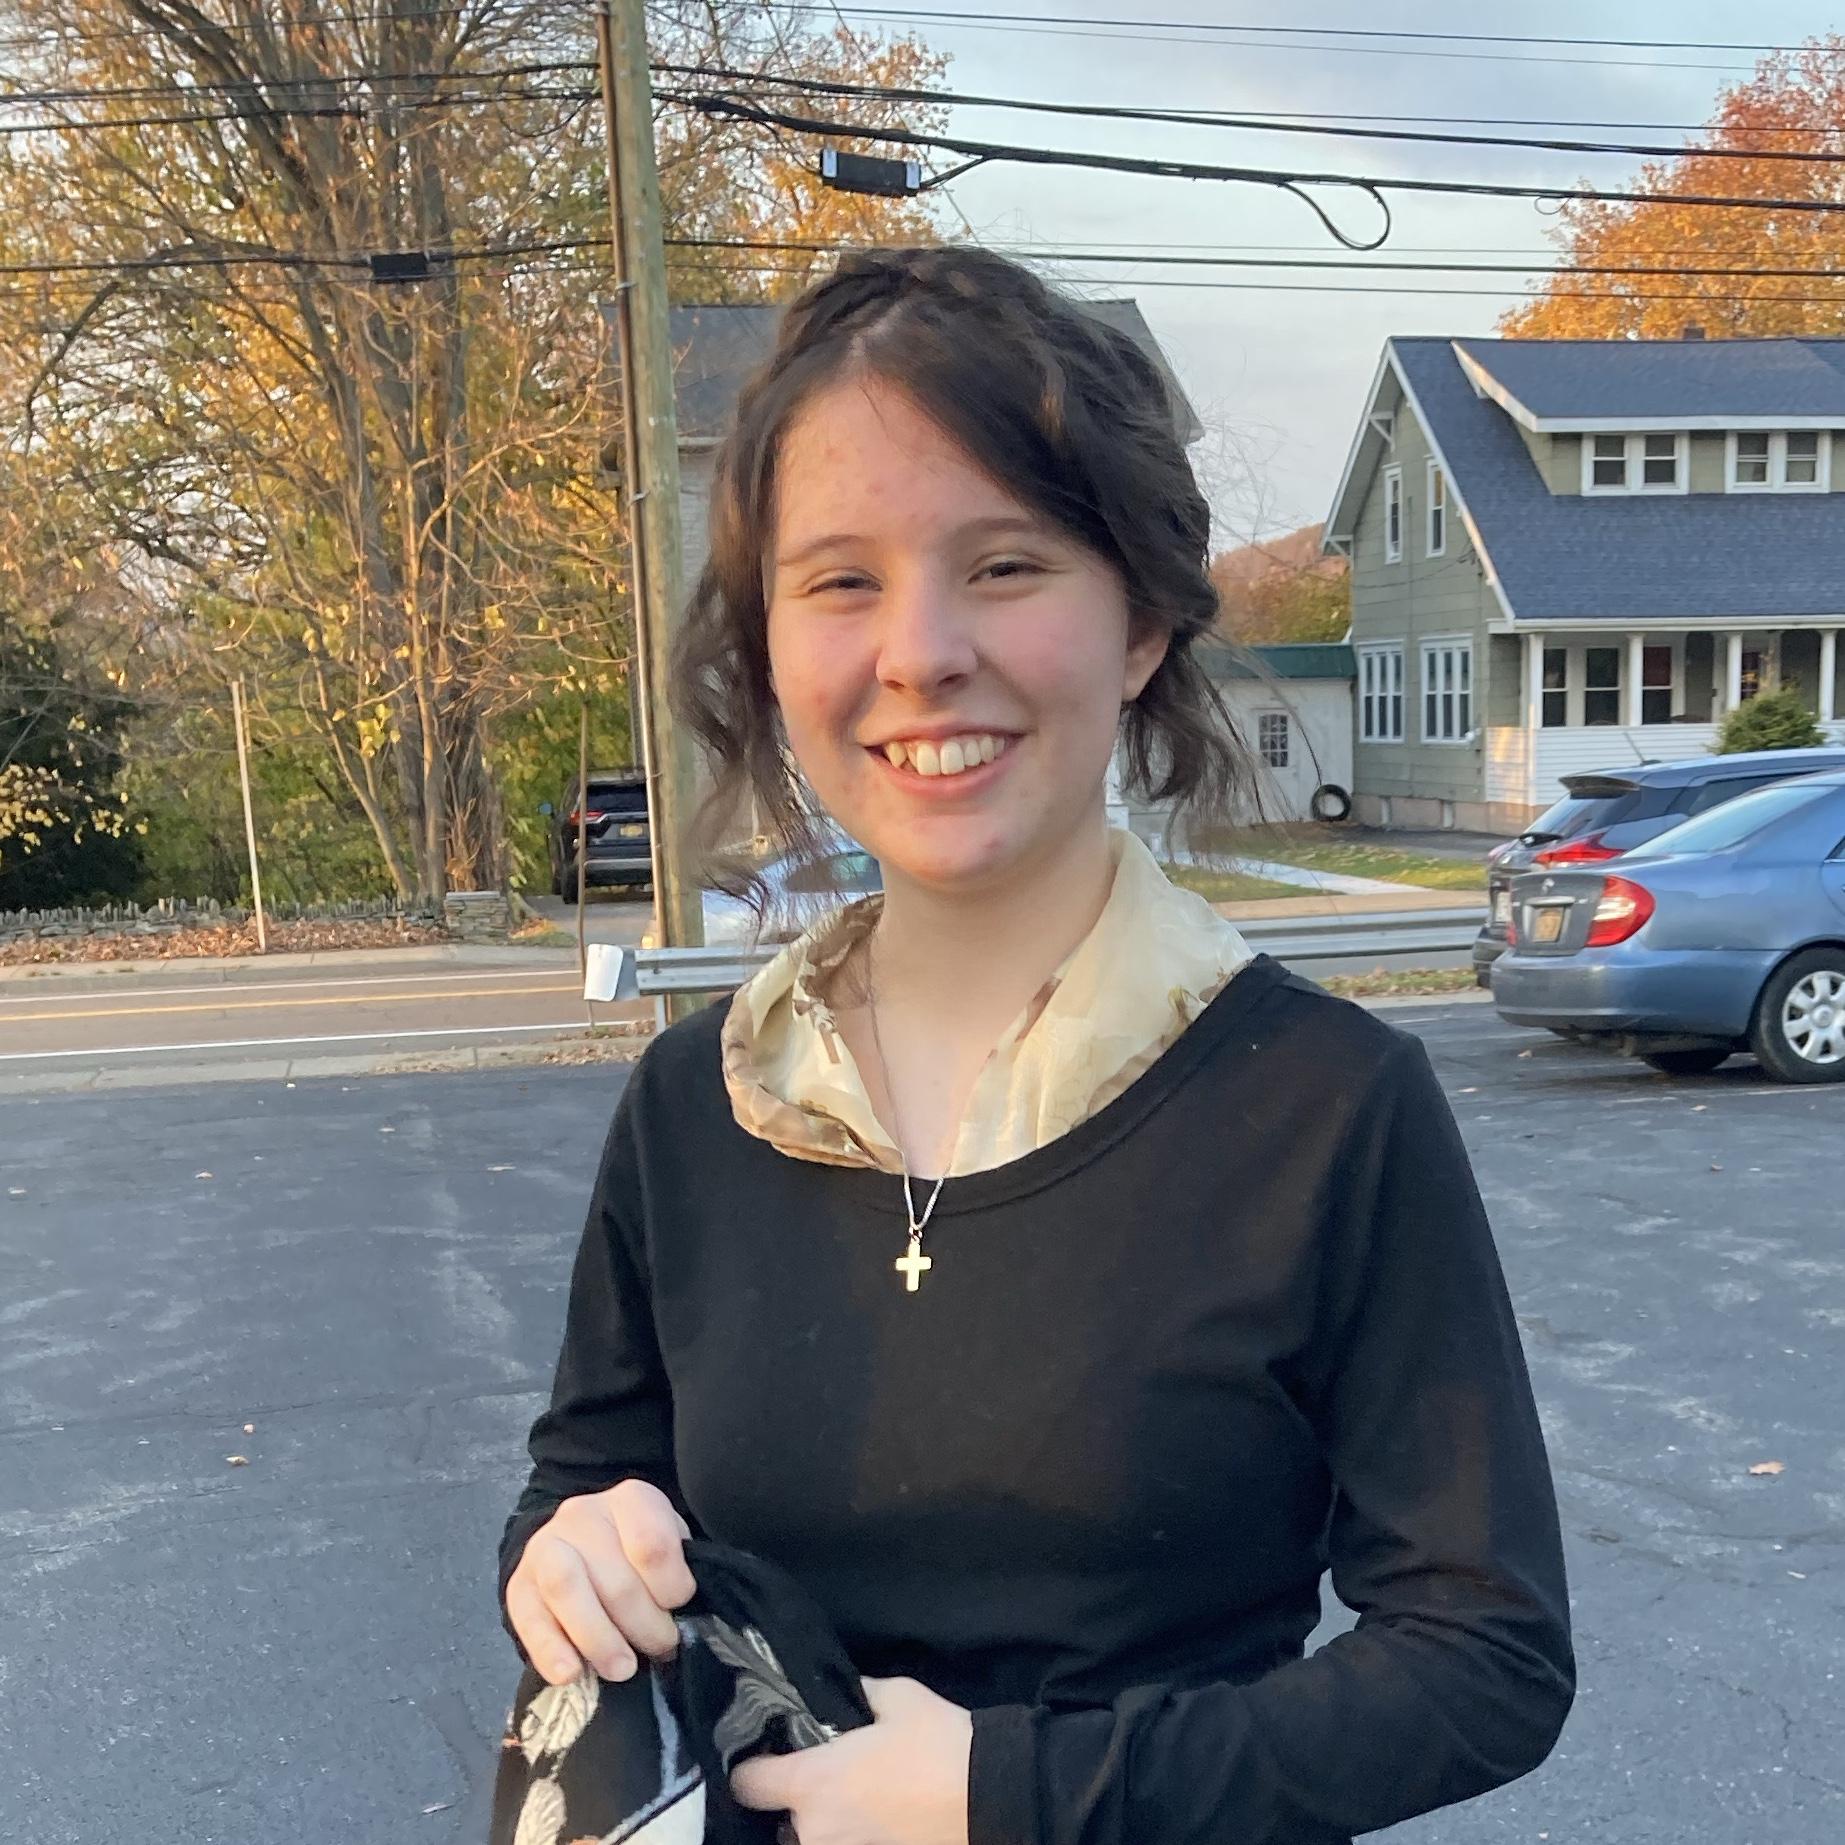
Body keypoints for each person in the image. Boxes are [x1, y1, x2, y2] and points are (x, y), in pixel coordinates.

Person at [498, 246, 1574, 1845]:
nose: (919, 650)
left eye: (1003, 564)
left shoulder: (1322, 1107)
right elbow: (585, 1473)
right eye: (839, 581)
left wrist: (1011, 1791)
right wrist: (562, 1551)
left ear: (1138, 623)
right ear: (770, 646)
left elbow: (1482, 1656)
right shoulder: (698, 1101)